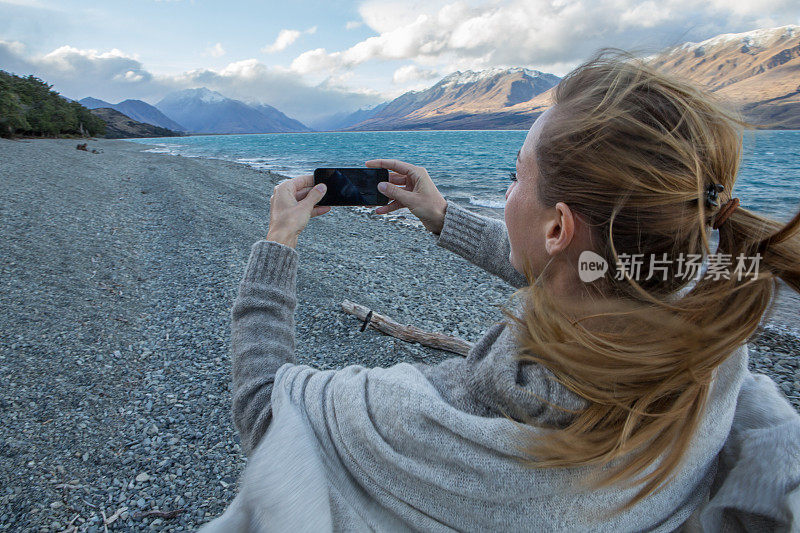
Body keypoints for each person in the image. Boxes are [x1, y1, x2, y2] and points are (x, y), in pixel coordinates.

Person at [199, 48, 800, 532]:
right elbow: (580, 271)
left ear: (559, 226)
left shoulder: (464, 412)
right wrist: (439, 213)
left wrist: (279, 243)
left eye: (517, 175)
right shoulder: (700, 340)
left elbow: (269, 412)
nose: (510, 190)